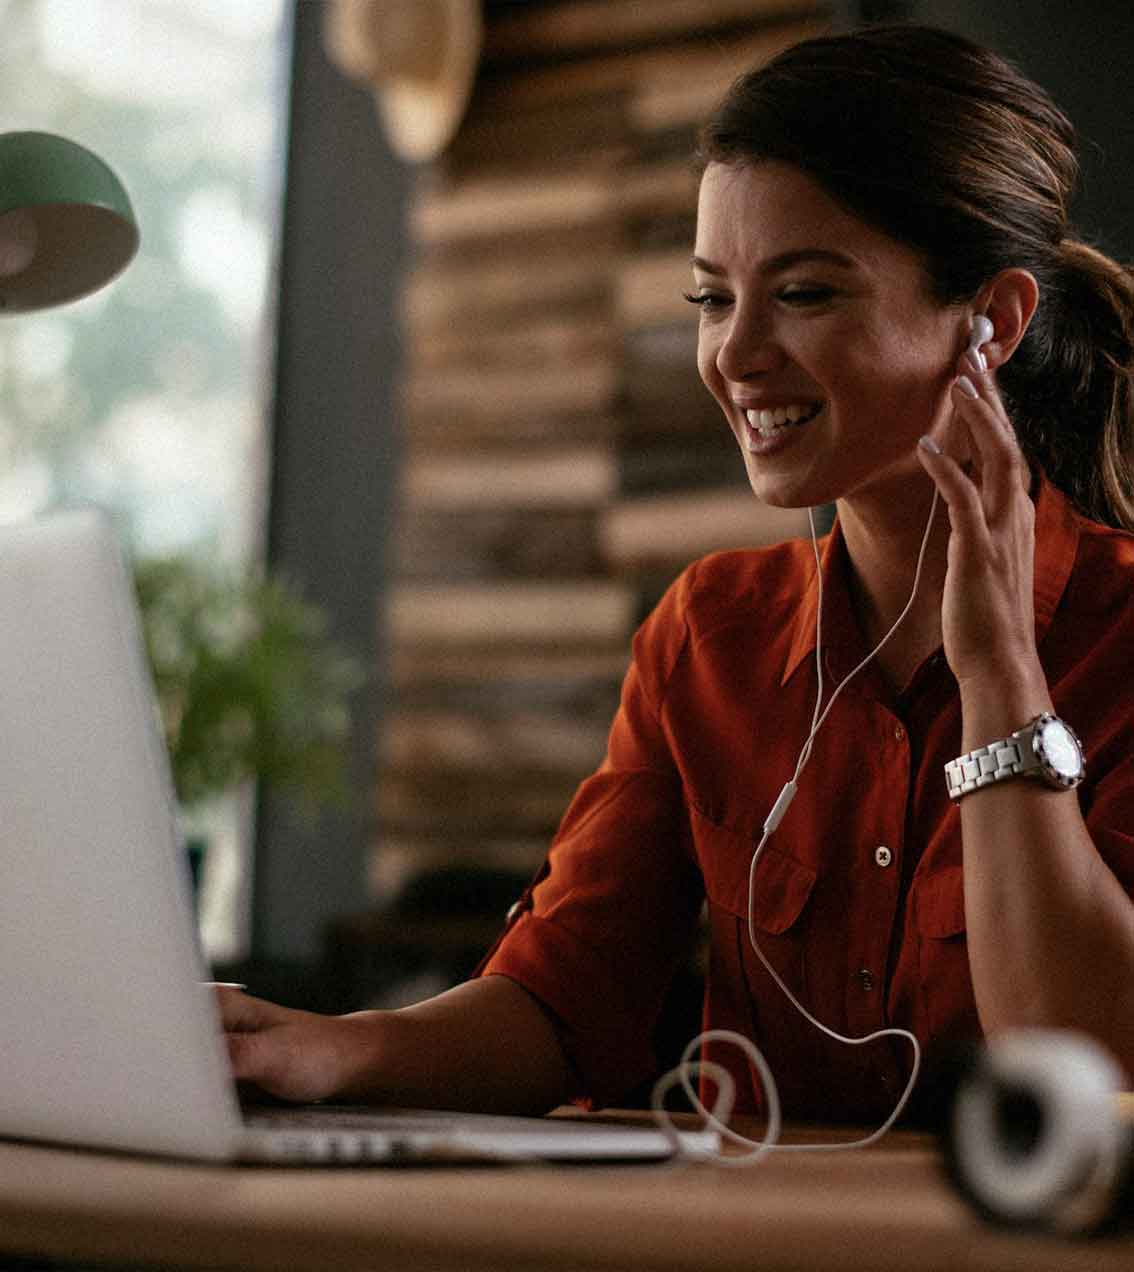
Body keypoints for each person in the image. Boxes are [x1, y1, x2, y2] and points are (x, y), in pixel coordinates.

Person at [219, 24, 1134, 1124]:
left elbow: (1082, 1055)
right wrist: (326, 1049)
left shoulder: (1118, 635)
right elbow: (561, 1002)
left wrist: (997, 671)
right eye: (712, 299)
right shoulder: (709, 635)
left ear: (991, 322)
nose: (737, 355)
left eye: (802, 294)